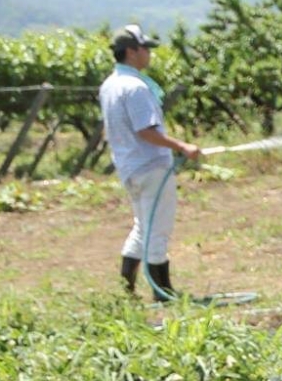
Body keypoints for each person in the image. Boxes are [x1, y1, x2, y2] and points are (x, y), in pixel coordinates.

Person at [98, 24, 201, 300]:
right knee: (158, 229)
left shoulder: (110, 85)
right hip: (151, 167)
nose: (149, 54)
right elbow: (145, 130)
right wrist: (182, 146)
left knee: (142, 227)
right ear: (131, 52)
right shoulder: (135, 88)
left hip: (129, 167)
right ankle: (163, 294)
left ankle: (127, 290)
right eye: (145, 49)